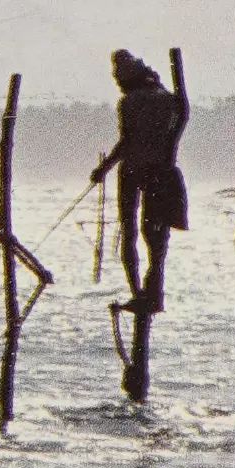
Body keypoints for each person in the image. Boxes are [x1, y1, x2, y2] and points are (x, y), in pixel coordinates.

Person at [91, 49, 187, 314]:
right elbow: (178, 120)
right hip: (158, 171)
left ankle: (140, 291)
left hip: (136, 171)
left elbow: (126, 142)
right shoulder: (168, 100)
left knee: (132, 232)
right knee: (153, 236)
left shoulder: (130, 103)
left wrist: (103, 168)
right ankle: (149, 292)